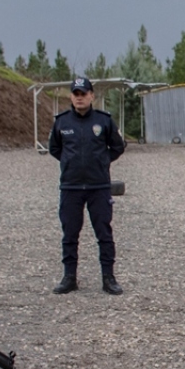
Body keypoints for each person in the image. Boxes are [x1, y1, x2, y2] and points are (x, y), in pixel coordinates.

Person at [48, 77, 125, 295]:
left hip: (98, 186)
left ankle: (108, 278)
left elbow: (117, 147)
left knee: (104, 233)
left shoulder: (104, 121)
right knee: (70, 234)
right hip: (71, 187)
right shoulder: (62, 122)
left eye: (83, 94)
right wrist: (70, 163)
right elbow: (55, 149)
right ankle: (69, 277)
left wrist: (101, 162)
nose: (79, 98)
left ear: (92, 95)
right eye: (76, 94)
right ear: (71, 97)